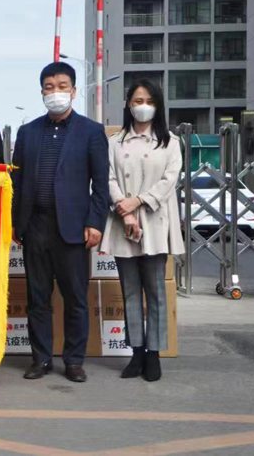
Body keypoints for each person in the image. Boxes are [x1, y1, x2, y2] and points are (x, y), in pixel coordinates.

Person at [11, 61, 109, 383]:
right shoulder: (28, 132)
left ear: (74, 91)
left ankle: (74, 361)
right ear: (42, 93)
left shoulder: (91, 132)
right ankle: (40, 359)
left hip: (73, 228)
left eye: (62, 87)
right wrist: (16, 222)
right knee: (38, 299)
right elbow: (17, 182)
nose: (56, 93)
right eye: (49, 88)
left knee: (75, 299)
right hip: (35, 226)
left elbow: (101, 184)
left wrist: (95, 222)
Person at [100, 80, 184, 382]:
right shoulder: (115, 142)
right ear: (128, 104)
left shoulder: (170, 142)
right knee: (130, 292)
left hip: (155, 222)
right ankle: (136, 352)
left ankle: (154, 353)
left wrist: (137, 202)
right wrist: (124, 210)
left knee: (156, 291)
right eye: (137, 100)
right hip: (123, 222)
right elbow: (108, 177)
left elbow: (169, 180)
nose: (143, 106)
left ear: (157, 105)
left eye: (149, 100)